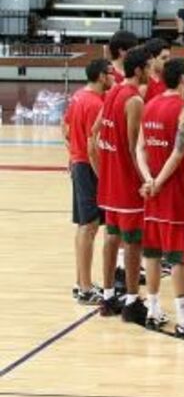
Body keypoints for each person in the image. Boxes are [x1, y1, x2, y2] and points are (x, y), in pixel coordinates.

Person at [136, 58, 184, 336]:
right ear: (183, 78)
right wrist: (159, 182)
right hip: (174, 193)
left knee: (151, 252)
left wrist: (147, 179)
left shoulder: (149, 105)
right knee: (178, 257)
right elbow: (178, 151)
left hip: (152, 192)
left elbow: (139, 148)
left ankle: (153, 309)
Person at [89, 45, 152, 324]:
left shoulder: (112, 92)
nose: (152, 72)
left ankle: (107, 295)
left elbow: (95, 135)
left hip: (109, 183)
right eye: (149, 67)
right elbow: (133, 148)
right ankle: (131, 301)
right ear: (138, 70)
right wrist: (147, 181)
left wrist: (103, 171)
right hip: (127, 186)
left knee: (111, 238)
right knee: (133, 243)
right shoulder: (134, 100)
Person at [62, 58, 114, 304]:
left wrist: (71, 155)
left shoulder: (78, 97)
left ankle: (80, 281)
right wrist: (103, 177)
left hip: (79, 163)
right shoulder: (96, 104)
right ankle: (84, 288)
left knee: (85, 225)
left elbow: (65, 129)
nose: (114, 78)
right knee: (90, 226)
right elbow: (94, 146)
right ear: (102, 76)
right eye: (111, 74)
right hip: (89, 167)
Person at [142, 38, 171, 103]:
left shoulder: (170, 80)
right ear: (151, 58)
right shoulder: (143, 82)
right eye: (164, 58)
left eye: (169, 57)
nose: (168, 61)